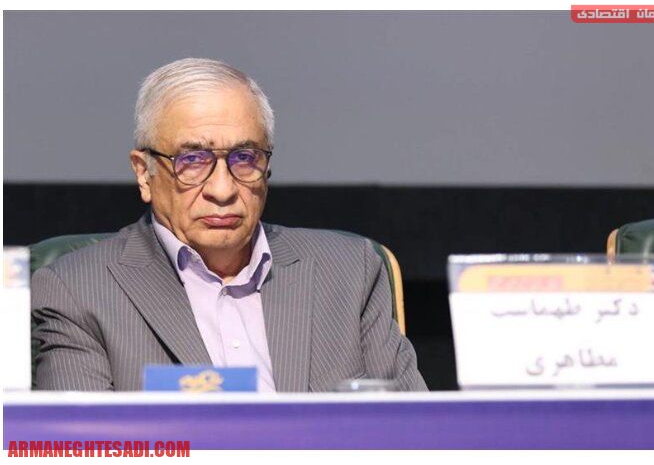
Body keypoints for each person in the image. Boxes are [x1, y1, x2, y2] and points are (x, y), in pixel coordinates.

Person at [31, 58, 427, 392]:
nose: (222, 190)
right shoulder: (77, 291)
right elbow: (85, 444)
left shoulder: (349, 272)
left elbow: (416, 433)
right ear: (143, 173)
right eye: (191, 161)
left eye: (245, 158)